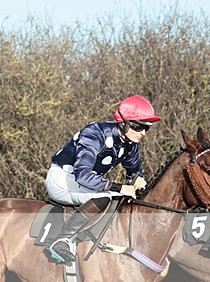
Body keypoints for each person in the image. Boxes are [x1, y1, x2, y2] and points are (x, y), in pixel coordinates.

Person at [44, 95, 159, 264]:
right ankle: (62, 240)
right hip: (62, 180)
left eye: (146, 128)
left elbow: (134, 171)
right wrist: (120, 187)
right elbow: (82, 175)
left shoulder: (131, 144)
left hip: (82, 183)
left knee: (119, 199)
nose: (142, 133)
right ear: (123, 123)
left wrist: (138, 180)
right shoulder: (95, 133)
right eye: (138, 126)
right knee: (105, 197)